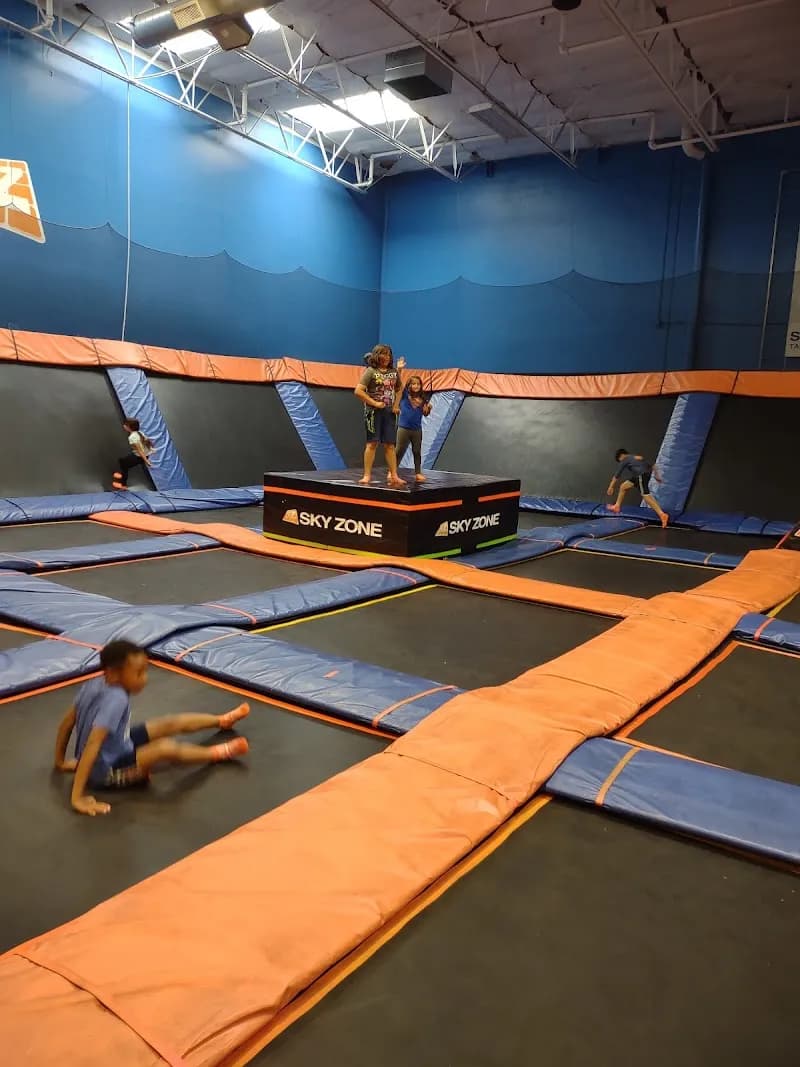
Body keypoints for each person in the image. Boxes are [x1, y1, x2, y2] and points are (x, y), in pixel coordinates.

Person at [54, 640, 250, 816]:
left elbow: (67, 723)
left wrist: (61, 761)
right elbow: (93, 743)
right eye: (138, 673)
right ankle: (219, 753)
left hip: (118, 746)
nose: (144, 678)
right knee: (165, 748)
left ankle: (221, 720)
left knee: (168, 723)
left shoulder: (94, 683)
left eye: (145, 671)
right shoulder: (116, 699)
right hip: (105, 773)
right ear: (114, 674)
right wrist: (77, 797)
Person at [354, 344, 406, 487]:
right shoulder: (371, 371)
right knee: (372, 443)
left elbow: (399, 389)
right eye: (383, 354)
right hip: (373, 413)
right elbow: (358, 391)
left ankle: (394, 475)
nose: (386, 357)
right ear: (377, 356)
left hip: (389, 412)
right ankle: (367, 475)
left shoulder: (394, 372)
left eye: (389, 355)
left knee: (390, 445)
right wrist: (374, 403)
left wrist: (395, 405)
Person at [607, 448, 669, 527]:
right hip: (639, 476)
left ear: (621, 456)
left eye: (620, 460)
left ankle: (662, 515)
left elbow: (617, 475)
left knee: (646, 496)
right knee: (623, 486)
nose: (621, 462)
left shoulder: (625, 459)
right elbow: (653, 465)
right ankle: (617, 506)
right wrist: (657, 476)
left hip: (641, 475)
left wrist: (611, 486)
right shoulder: (637, 457)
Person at [395, 374, 431, 483]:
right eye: (413, 384)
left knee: (417, 451)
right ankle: (392, 471)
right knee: (399, 451)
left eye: (418, 384)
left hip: (416, 429)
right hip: (404, 428)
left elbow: (425, 414)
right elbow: (398, 384)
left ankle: (418, 473)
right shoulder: (405, 395)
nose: (416, 386)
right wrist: (399, 369)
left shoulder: (423, 398)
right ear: (409, 385)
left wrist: (428, 409)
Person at [112, 418, 155, 490]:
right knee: (123, 462)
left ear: (129, 427)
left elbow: (139, 450)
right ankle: (123, 481)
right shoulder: (140, 433)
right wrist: (151, 449)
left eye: (125, 425)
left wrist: (146, 461)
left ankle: (123, 485)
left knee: (123, 463)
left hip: (139, 457)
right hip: (145, 455)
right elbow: (148, 441)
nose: (124, 426)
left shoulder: (132, 437)